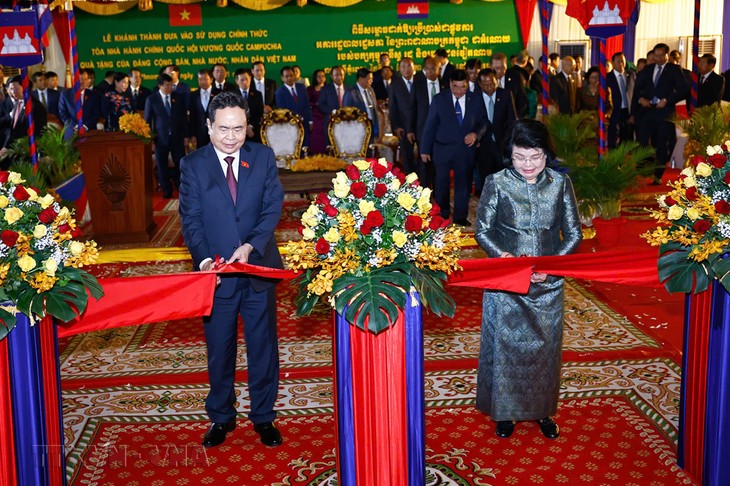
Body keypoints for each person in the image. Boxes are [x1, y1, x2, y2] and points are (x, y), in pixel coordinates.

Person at [178, 91, 284, 449]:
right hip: (216, 275)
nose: (231, 136)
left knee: (263, 346)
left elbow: (272, 208)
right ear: (209, 127)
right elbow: (190, 220)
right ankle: (221, 417)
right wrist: (206, 260)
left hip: (257, 270)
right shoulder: (193, 165)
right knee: (219, 349)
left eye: (238, 128)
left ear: (247, 127)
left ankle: (264, 417)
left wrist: (251, 245)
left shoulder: (264, 157)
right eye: (223, 129)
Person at [474, 118, 582, 440]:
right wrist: (504, 259)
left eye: (535, 157)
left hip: (548, 285)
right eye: (520, 157)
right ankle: (505, 414)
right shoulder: (497, 182)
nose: (528, 164)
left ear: (546, 154)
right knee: (506, 350)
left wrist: (554, 264)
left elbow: (574, 233)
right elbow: (482, 231)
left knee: (544, 352)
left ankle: (542, 412)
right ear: (511, 154)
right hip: (507, 284)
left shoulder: (560, 185)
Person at [420, 69, 486, 227]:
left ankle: (460, 216)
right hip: (442, 149)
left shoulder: (475, 99)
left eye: (463, 87)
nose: (459, 91)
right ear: (450, 84)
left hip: (465, 150)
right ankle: (442, 214)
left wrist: (476, 135)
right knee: (441, 184)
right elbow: (430, 125)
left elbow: (484, 122)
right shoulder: (439, 100)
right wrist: (424, 149)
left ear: (467, 85)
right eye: (455, 87)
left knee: (463, 185)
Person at [633, 43, 687, 180]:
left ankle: (659, 173)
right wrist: (641, 99)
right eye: (655, 55)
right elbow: (637, 88)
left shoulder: (674, 69)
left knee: (661, 143)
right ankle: (643, 169)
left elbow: (682, 89)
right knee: (642, 140)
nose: (657, 58)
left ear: (667, 55)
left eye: (660, 55)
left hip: (664, 112)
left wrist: (667, 100)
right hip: (648, 111)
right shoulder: (648, 69)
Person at [144, 73, 188, 198]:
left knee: (180, 163)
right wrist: (150, 139)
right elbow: (148, 120)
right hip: (160, 138)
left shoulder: (178, 97)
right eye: (168, 85)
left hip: (177, 137)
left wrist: (185, 136)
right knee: (161, 164)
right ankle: (166, 188)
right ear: (160, 85)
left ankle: (182, 186)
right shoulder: (152, 99)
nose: (171, 88)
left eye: (172, 85)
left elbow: (183, 118)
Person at [474, 68, 516, 196]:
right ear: (480, 85)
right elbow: (471, 122)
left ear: (496, 81)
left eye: (492, 83)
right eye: (486, 85)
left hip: (502, 144)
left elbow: (512, 120)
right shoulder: (474, 98)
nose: (490, 87)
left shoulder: (505, 94)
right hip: (482, 145)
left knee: (503, 179)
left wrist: (510, 142)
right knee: (484, 180)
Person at [0, 75, 47, 165]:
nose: (12, 92)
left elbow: (40, 133)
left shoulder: (35, 106)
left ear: (25, 87)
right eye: (11, 89)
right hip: (15, 152)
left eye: (15, 89)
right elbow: (13, 130)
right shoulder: (18, 103)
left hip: (27, 154)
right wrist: (5, 148)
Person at [389, 57, 417, 176]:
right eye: (403, 66)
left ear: (414, 67)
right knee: (407, 157)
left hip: (420, 125)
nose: (406, 69)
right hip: (403, 127)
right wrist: (396, 126)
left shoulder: (420, 82)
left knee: (422, 157)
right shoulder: (394, 85)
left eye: (409, 66)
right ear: (399, 69)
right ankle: (410, 183)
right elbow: (392, 108)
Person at [275, 66, 312, 149]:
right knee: (294, 148)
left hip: (305, 123)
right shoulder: (279, 92)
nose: (289, 78)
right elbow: (283, 110)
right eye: (286, 76)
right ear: (282, 78)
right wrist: (295, 117)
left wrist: (310, 120)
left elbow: (307, 104)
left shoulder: (301, 87)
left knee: (305, 146)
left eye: (291, 75)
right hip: (290, 125)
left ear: (295, 76)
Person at [59, 68, 101, 134]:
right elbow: (63, 114)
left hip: (89, 131)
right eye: (80, 79)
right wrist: (76, 126)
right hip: (71, 130)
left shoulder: (93, 95)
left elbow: (96, 114)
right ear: (74, 79)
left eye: (86, 79)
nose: (83, 82)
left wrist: (85, 126)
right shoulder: (65, 95)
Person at [606, 52, 635, 148]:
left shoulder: (631, 75)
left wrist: (633, 113)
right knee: (613, 138)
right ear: (613, 63)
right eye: (618, 61)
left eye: (623, 61)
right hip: (614, 111)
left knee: (626, 138)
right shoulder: (607, 77)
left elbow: (634, 94)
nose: (621, 63)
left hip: (627, 112)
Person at [343, 68, 379, 142]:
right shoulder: (350, 92)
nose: (371, 81)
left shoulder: (371, 90)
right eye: (369, 79)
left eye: (372, 79)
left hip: (371, 125)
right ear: (361, 79)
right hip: (357, 128)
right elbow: (346, 112)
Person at [234, 68, 264, 144]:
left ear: (250, 79)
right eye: (242, 80)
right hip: (237, 132)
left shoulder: (258, 94)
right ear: (237, 81)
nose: (245, 82)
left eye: (247, 79)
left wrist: (250, 127)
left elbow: (259, 114)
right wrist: (244, 128)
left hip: (253, 132)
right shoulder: (232, 96)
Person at [189, 68, 214, 149]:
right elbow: (192, 116)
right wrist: (192, 134)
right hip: (199, 134)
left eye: (205, 79)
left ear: (211, 80)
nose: (203, 82)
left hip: (215, 132)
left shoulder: (219, 93)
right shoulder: (193, 95)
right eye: (200, 79)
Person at [306, 69, 327, 154]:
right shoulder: (310, 89)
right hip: (314, 115)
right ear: (315, 78)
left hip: (325, 114)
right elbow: (307, 102)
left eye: (323, 76)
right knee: (315, 135)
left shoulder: (328, 88)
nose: (321, 78)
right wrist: (316, 104)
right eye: (319, 76)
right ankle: (315, 154)